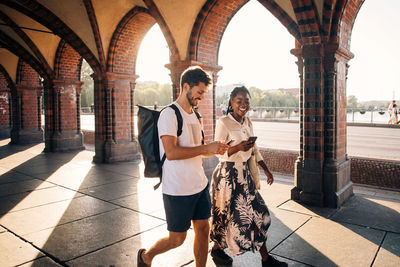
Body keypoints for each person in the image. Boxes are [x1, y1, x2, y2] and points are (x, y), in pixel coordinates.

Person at [137, 66, 229, 267]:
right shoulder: (169, 115)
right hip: (177, 188)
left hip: (199, 184)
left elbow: (199, 150)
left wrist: (214, 149)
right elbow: (171, 152)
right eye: (199, 92)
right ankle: (146, 256)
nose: (201, 97)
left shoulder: (196, 116)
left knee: (204, 229)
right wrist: (206, 147)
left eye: (204, 93)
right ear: (186, 86)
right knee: (177, 239)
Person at [210, 86, 287, 266]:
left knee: (258, 214)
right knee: (225, 217)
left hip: (244, 176)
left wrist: (266, 169)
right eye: (239, 101)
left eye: (246, 101)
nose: (243, 105)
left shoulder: (248, 122)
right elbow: (217, 152)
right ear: (231, 102)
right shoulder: (223, 122)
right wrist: (237, 147)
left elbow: (255, 150)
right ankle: (217, 250)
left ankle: (265, 259)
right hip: (227, 175)